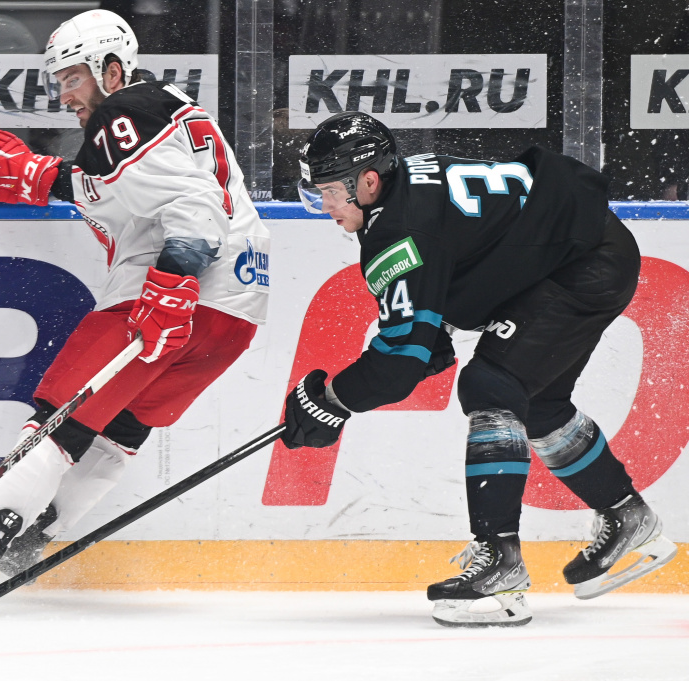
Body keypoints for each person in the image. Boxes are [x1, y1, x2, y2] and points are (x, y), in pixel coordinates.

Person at [0, 9, 269, 598]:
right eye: (59, 82)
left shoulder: (121, 111)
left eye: (73, 78)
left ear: (111, 70)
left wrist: (172, 285)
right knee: (118, 430)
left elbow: (195, 208)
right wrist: (44, 176)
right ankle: (30, 541)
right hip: (236, 313)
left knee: (58, 420)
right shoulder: (166, 111)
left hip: (170, 295)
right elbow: (132, 193)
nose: (65, 95)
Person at [282, 111, 677, 627]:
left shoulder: (398, 229)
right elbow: (468, 248)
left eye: (331, 192)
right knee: (539, 404)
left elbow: (399, 364)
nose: (325, 207)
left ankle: (500, 563)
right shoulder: (399, 194)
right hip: (580, 247)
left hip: (583, 264)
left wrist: (331, 401)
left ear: (369, 181)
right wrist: (432, 330)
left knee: (491, 385)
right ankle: (628, 515)